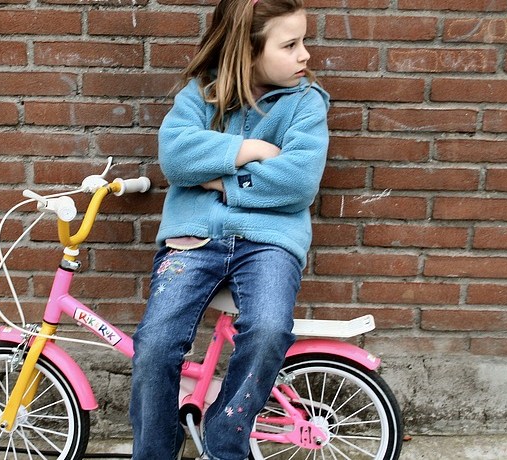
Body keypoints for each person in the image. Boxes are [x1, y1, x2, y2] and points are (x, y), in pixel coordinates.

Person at [129, 0, 330, 457]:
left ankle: (224, 445)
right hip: (193, 238)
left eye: (303, 42)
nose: (305, 55)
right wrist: (251, 149)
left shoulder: (306, 104)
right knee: (156, 343)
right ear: (248, 51)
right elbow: (176, 157)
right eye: (290, 45)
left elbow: (298, 182)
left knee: (268, 330)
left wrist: (218, 178)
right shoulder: (200, 96)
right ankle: (155, 451)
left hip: (269, 242)